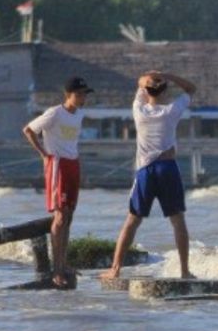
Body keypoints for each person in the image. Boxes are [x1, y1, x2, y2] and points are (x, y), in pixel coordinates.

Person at [102, 70, 198, 281]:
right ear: (165, 92)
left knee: (132, 220)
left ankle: (115, 269)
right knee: (178, 221)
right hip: (167, 168)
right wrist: (168, 75)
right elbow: (191, 89)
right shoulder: (172, 110)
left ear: (146, 92)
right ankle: (184, 271)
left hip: (146, 170)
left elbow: (140, 82)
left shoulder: (139, 110)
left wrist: (150, 77)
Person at [23, 76, 92, 287]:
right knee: (60, 216)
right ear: (68, 95)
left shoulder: (79, 114)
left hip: (73, 164)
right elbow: (28, 130)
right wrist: (44, 154)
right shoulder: (54, 113)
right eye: (78, 94)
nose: (82, 98)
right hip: (57, 164)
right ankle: (57, 269)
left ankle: (64, 263)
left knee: (69, 216)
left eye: (84, 94)